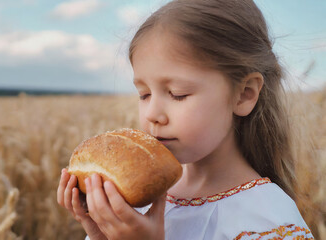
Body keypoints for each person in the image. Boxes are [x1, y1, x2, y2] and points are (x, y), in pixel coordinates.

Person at [57, 0, 314, 239]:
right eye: (144, 94)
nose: (152, 115)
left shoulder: (268, 220)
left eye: (177, 94)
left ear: (244, 95)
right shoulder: (136, 198)